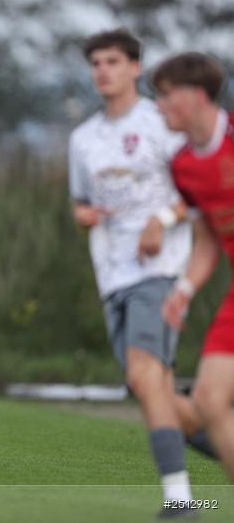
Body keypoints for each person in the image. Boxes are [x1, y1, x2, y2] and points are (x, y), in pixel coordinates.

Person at [68, 29, 209, 518]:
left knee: (146, 376)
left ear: (135, 69)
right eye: (96, 63)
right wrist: (83, 215)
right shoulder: (82, 138)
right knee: (152, 387)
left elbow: (197, 198)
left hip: (160, 271)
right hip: (112, 274)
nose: (102, 70)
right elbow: (80, 203)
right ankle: (223, 442)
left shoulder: (162, 124)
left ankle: (180, 500)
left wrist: (161, 220)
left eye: (112, 61)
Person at [157, 52, 234, 484]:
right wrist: (184, 290)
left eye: (168, 95)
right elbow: (208, 239)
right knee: (207, 398)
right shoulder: (183, 166)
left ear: (198, 95)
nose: (160, 105)